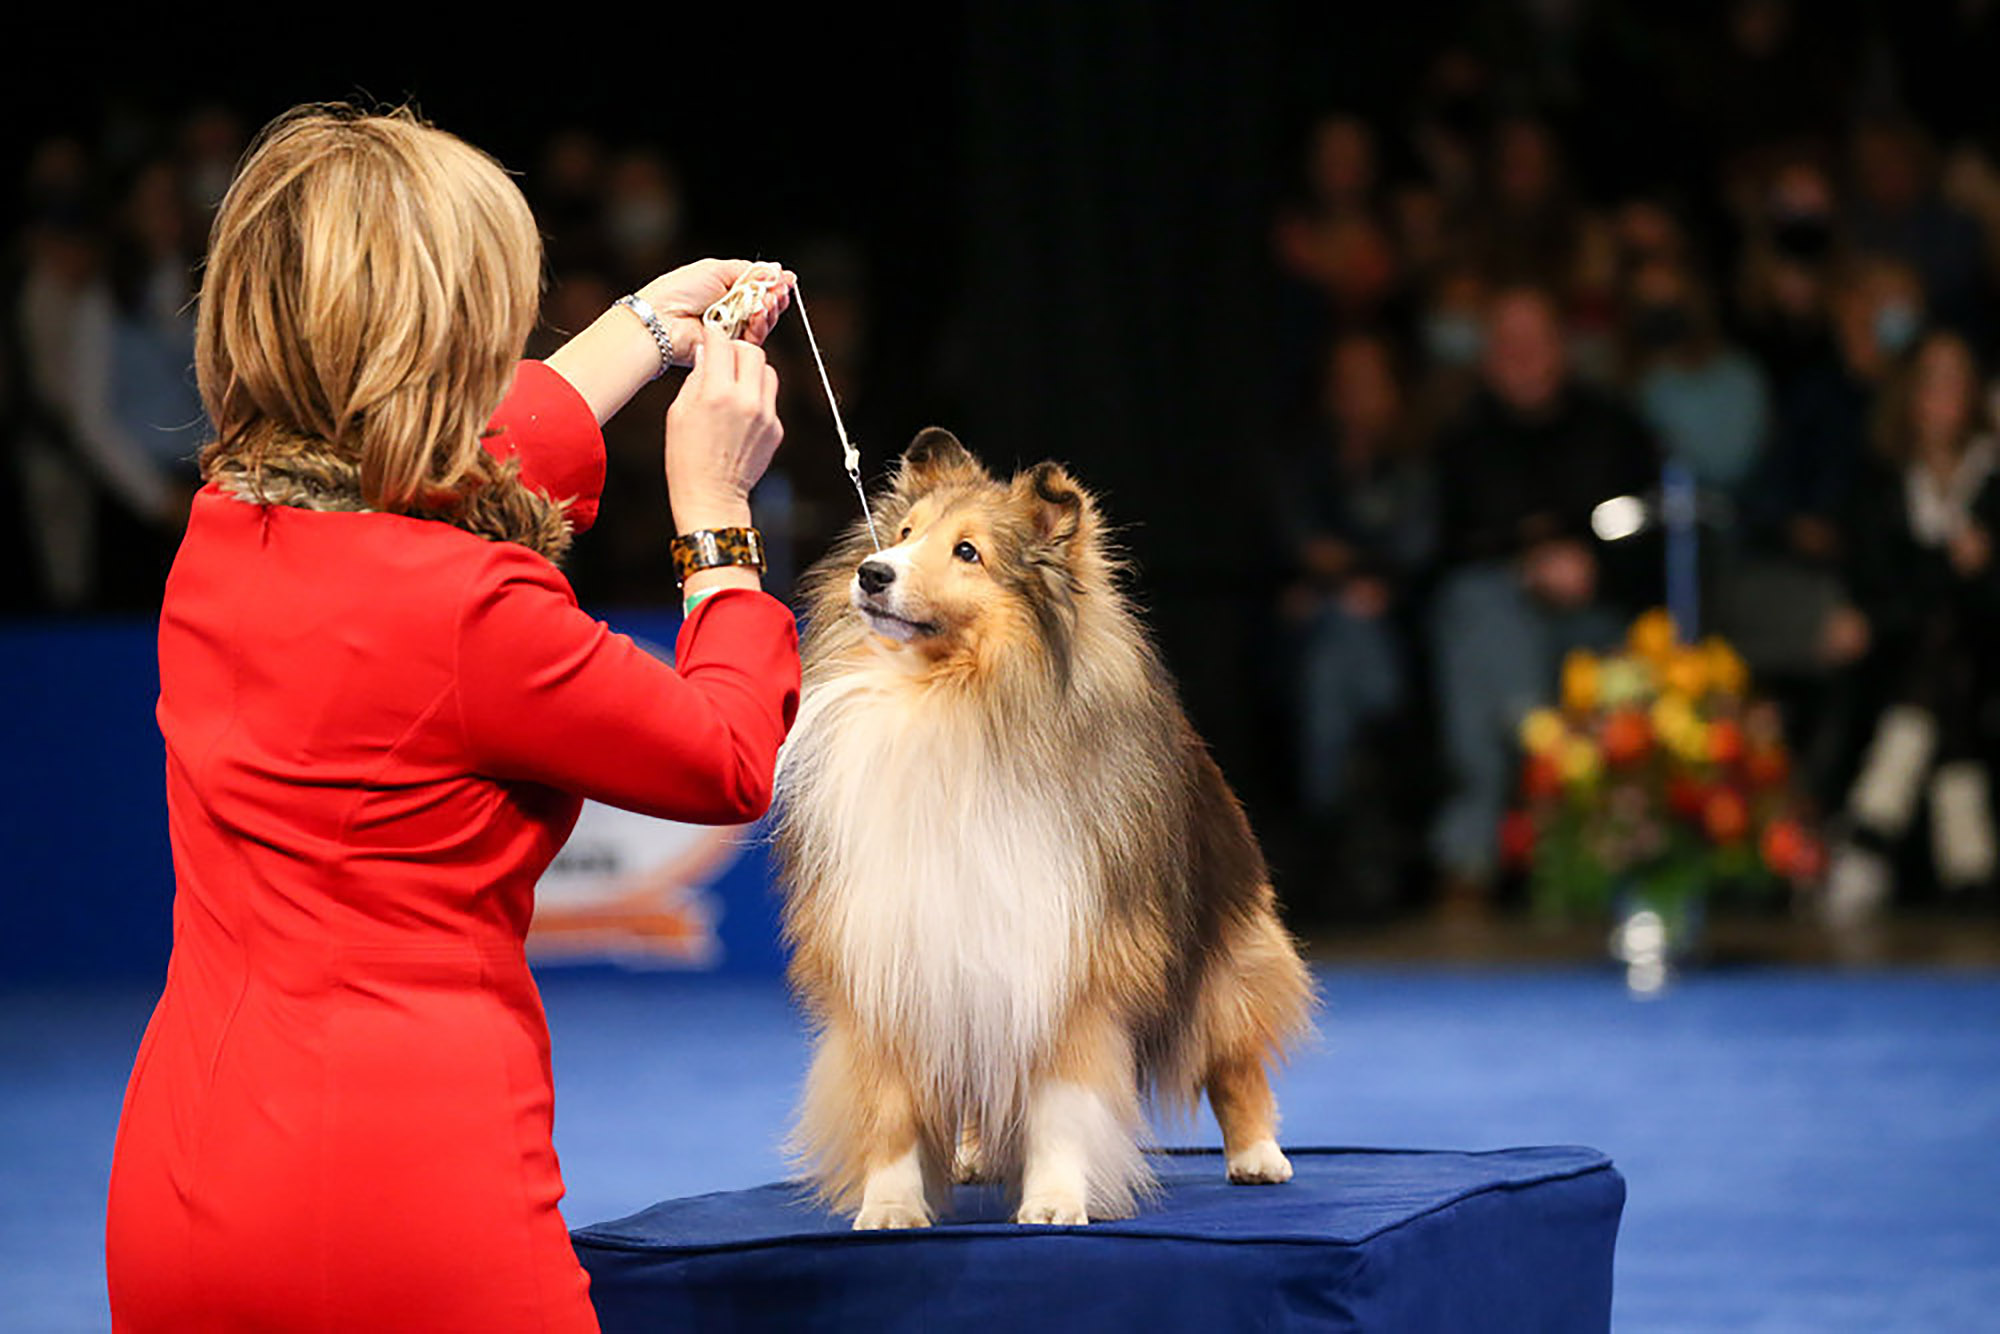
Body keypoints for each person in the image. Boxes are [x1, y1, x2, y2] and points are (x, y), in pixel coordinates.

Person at [104, 105, 800, 1332]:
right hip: (402, 1200)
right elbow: (730, 754)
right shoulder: (476, 607)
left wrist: (643, 330)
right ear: (442, 337)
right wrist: (713, 510)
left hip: (178, 1187)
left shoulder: (220, 530)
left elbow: (456, 450)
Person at [1427, 285, 1659, 902]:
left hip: (1599, 615)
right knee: (1481, 618)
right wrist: (1525, 564)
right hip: (1500, 618)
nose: (1522, 356)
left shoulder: (1617, 429)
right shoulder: (1459, 443)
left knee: (1626, 662)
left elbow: (1659, 543)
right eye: (1507, 344)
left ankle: (1594, 854)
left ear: (1564, 348)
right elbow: (1435, 555)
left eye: (1536, 341)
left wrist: (1593, 571)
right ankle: (1476, 852)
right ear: (1485, 357)